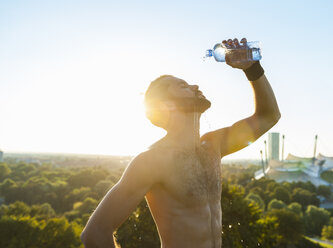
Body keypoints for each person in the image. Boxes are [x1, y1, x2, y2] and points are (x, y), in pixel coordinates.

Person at [80, 38, 281, 248]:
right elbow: (95, 233)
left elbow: (269, 116)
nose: (195, 85)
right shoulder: (153, 160)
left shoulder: (213, 146)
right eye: (183, 86)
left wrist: (252, 68)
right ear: (167, 105)